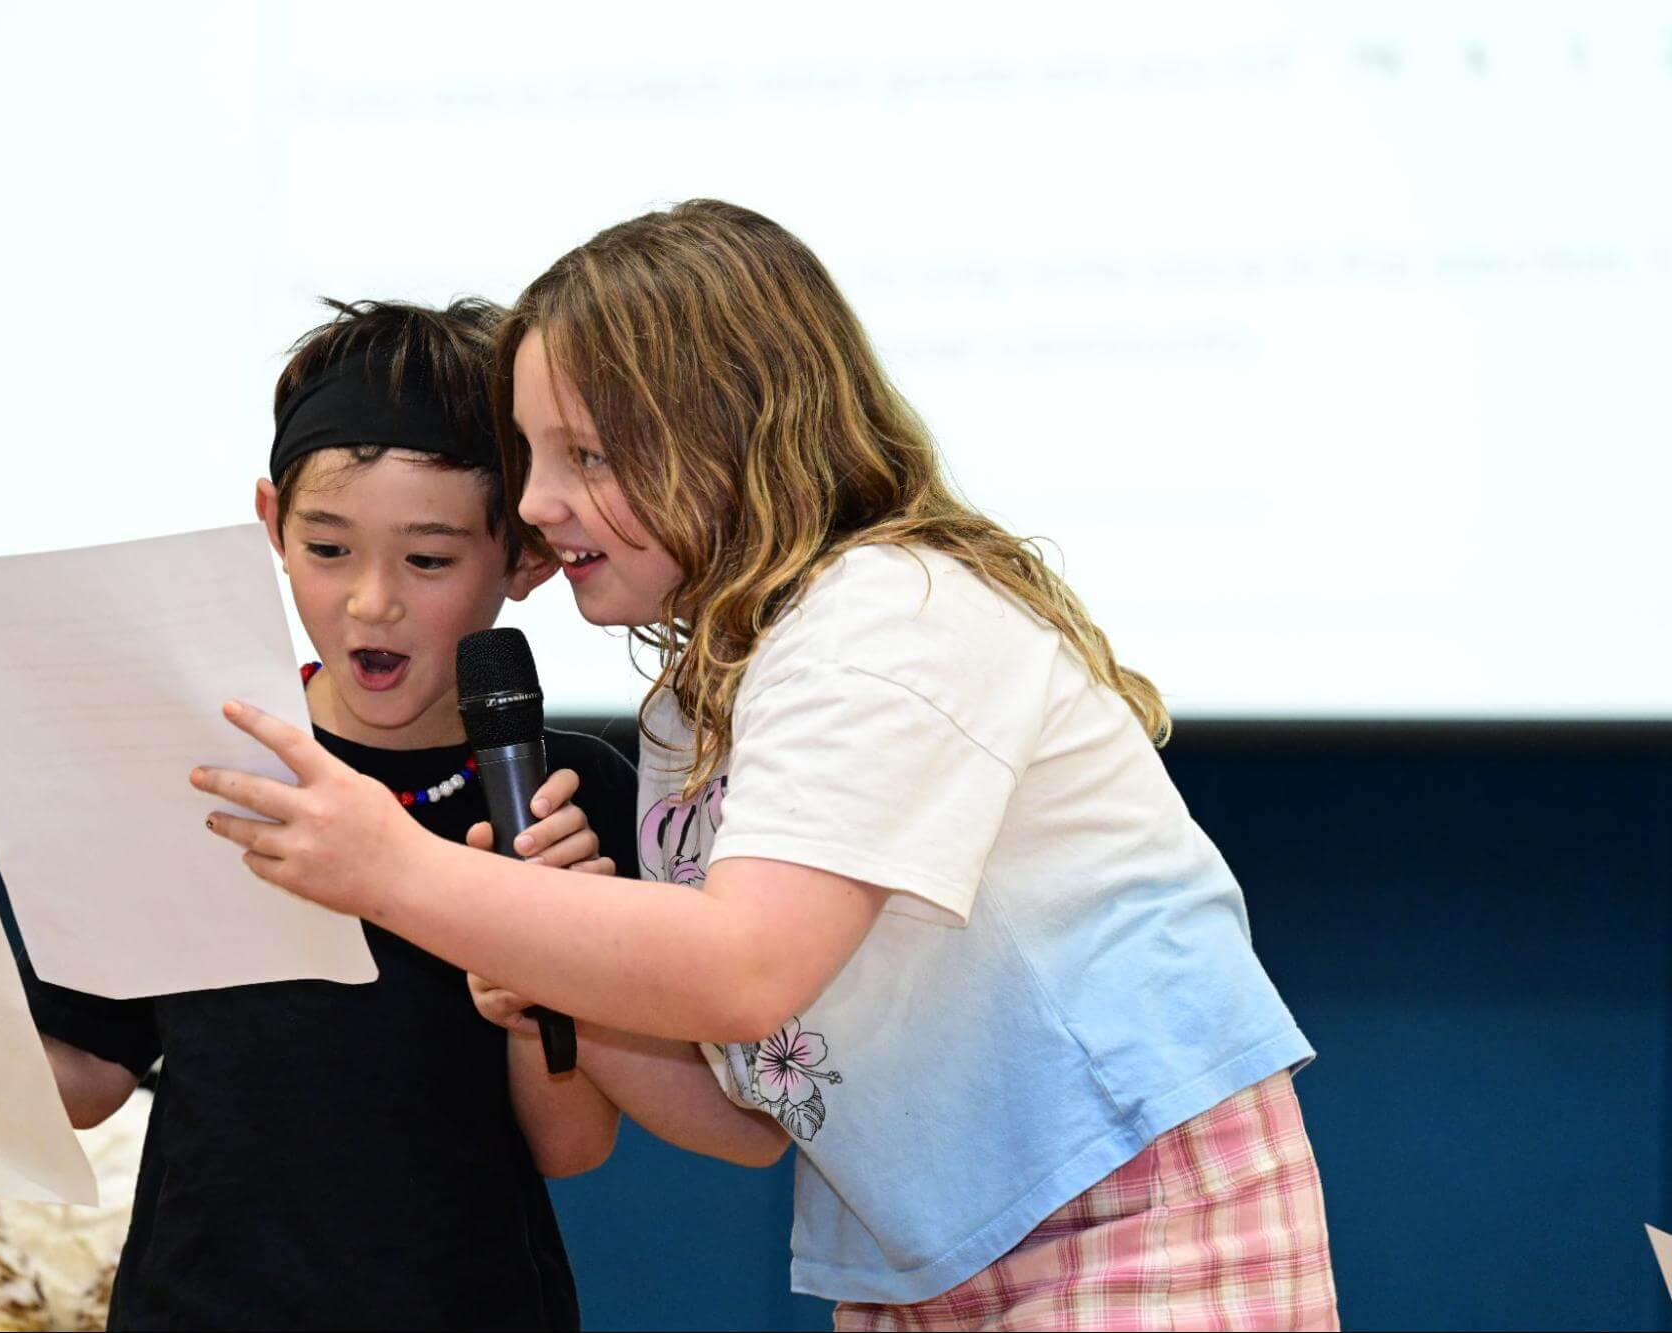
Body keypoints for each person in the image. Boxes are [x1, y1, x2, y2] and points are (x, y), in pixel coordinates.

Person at [191, 203, 1340, 1331]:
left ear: (722, 437)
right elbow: (743, 1113)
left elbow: (743, 969)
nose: (537, 506)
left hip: (1127, 1210)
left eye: (582, 455)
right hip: (924, 1254)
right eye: (532, 458)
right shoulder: (700, 708)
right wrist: (553, 964)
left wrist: (399, 871)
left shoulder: (892, 612)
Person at [0, 298, 636, 1331]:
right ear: (269, 522)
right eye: (328, 547)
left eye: (429, 560)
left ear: (524, 554)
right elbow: (81, 1076)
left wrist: (540, 961)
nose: (371, 601)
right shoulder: (201, 763)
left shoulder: (560, 795)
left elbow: (571, 1145)